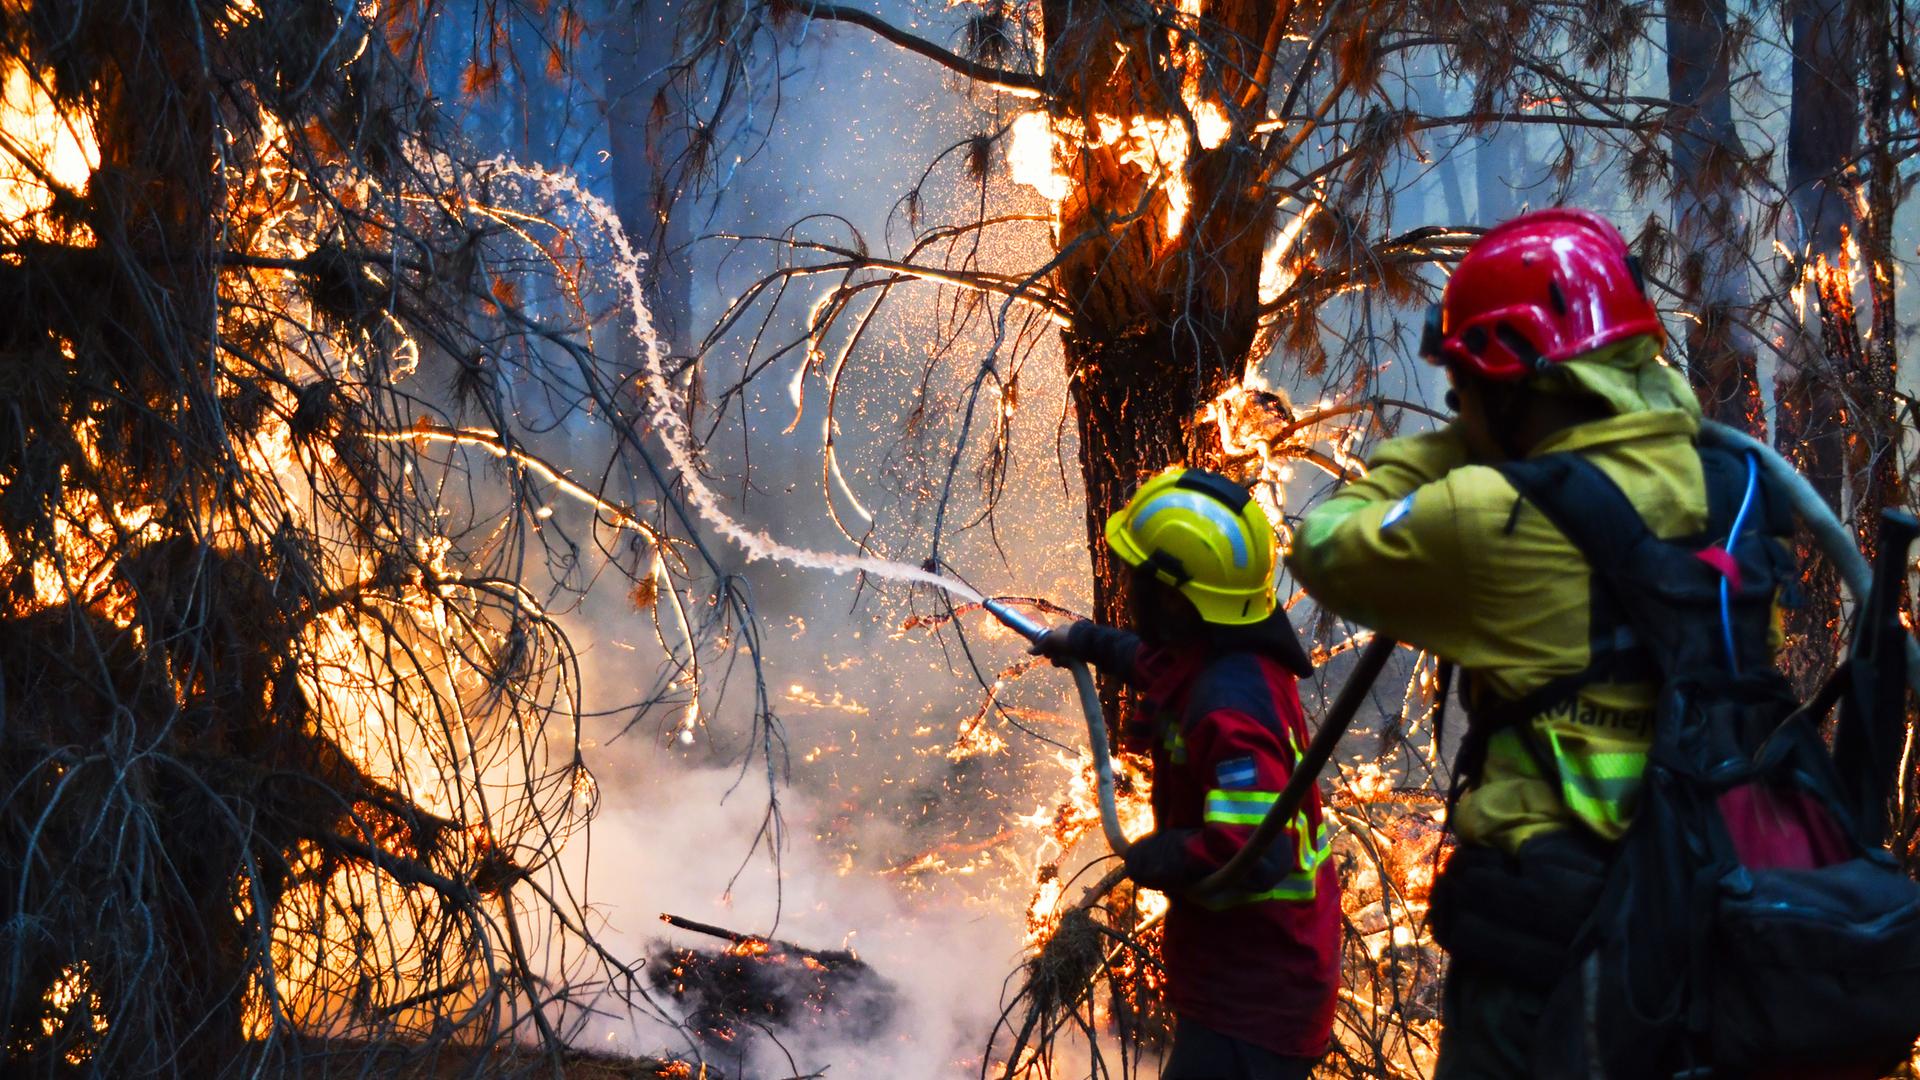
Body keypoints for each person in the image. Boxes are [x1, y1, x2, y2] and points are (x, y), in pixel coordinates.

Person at [1284, 208, 1794, 1076]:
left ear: (1511, 385)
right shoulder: (1732, 490)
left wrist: (1461, 445)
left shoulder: (1497, 513)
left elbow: (1326, 542)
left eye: (1464, 387)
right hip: (1710, 931)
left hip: (1543, 963)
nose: (1456, 406)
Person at [1034, 466, 1339, 1080]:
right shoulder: (1224, 656)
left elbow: (1260, 849)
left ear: (1173, 596)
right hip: (1243, 978)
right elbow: (1158, 664)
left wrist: (1169, 854)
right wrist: (1087, 641)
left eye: (1137, 576)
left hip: (1258, 1001)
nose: (1126, 584)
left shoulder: (1230, 709)